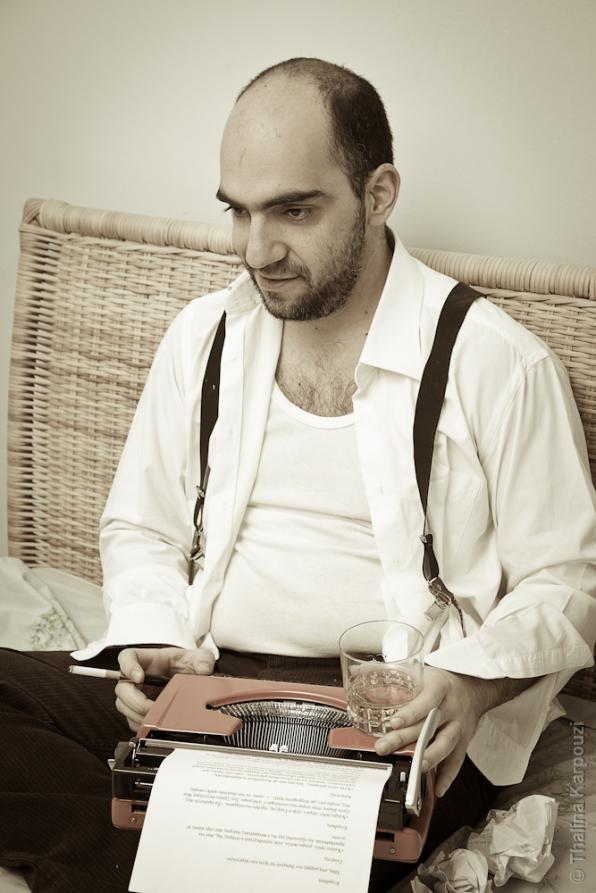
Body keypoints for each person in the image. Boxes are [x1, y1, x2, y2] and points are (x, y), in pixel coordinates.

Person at [1, 57, 596, 893]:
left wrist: (468, 681)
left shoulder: (497, 362)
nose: (257, 249)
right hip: (211, 682)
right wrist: (151, 638)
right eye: (239, 211)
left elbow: (567, 578)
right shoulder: (202, 336)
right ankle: (147, 859)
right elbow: (141, 525)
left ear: (379, 193)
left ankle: (166, 854)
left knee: (293, 842)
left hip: (389, 710)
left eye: (294, 210)